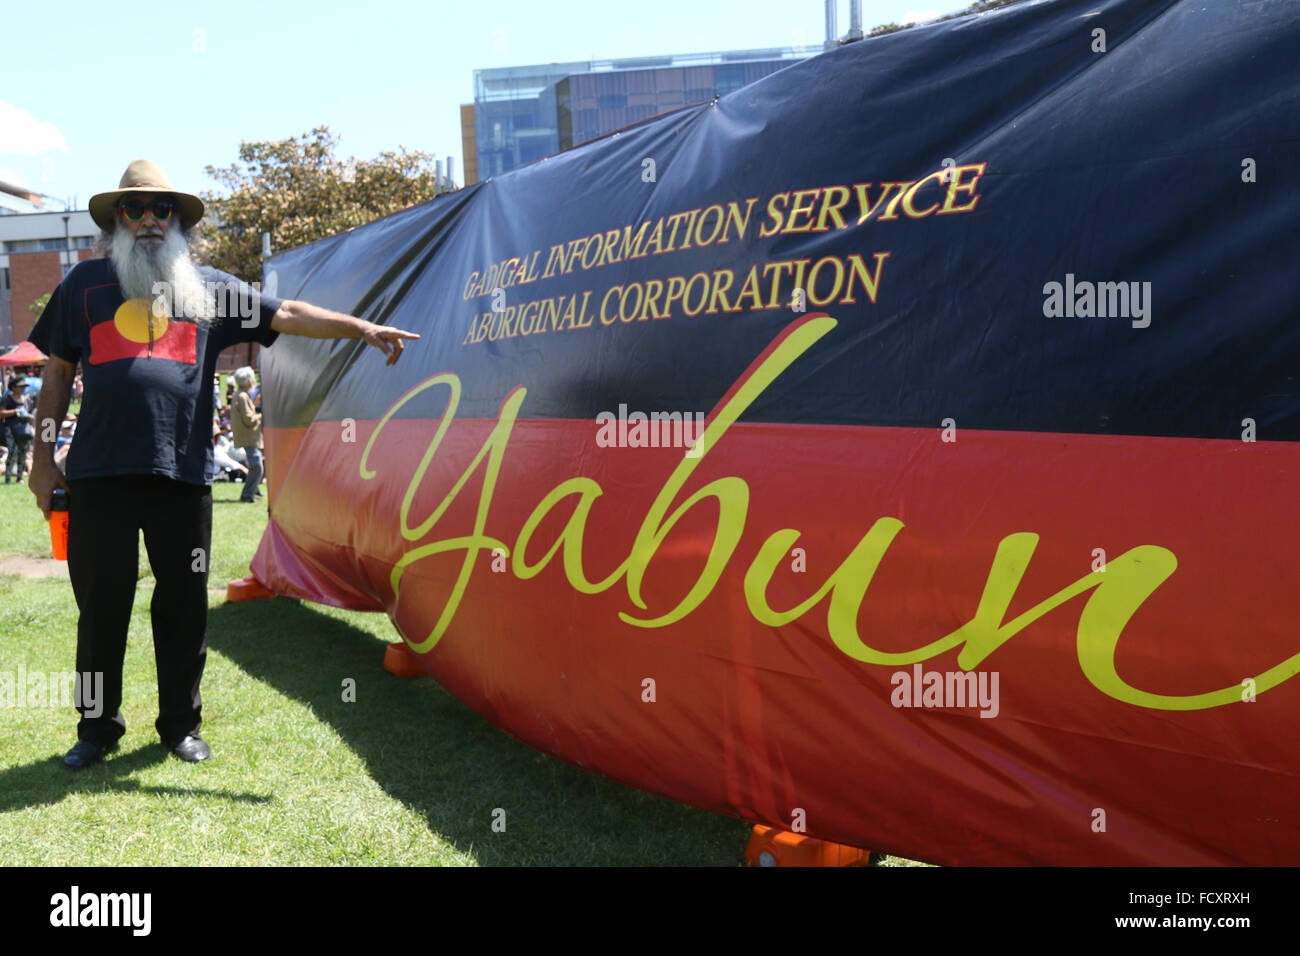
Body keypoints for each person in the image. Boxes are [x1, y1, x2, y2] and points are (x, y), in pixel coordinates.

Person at [25, 159, 418, 770]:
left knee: (183, 602)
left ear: (179, 220)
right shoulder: (83, 287)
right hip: (99, 474)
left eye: (163, 209)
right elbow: (56, 372)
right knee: (101, 606)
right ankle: (95, 728)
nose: (150, 220)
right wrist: (42, 459)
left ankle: (179, 725)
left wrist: (358, 328)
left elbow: (284, 314)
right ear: (117, 221)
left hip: (181, 474)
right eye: (136, 209)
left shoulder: (208, 288)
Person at [231, 366, 263, 502]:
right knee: (257, 466)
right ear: (248, 381)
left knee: (255, 465)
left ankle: (254, 490)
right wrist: (261, 415)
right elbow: (249, 419)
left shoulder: (239, 394)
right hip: (248, 437)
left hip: (246, 436)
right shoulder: (243, 396)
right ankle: (247, 495)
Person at [2, 375, 35, 483]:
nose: (23, 388)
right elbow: (1, 413)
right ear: (13, 387)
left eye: (24, 386)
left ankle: (19, 477)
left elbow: (31, 414)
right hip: (10, 429)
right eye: (21, 386)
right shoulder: (7, 398)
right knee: (12, 452)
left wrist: (30, 417)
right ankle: (8, 477)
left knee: (23, 452)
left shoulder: (27, 400)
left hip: (24, 429)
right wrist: (15, 411)